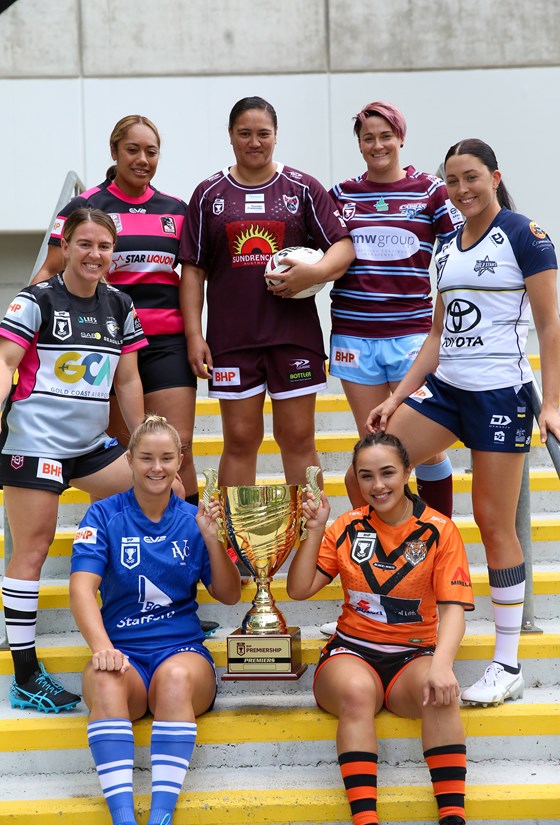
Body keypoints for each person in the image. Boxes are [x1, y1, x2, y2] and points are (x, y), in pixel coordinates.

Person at [366, 138, 560, 706]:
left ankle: (507, 663)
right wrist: (397, 396)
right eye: (451, 180)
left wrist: (551, 403)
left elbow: (550, 324)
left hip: (500, 393)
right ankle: (399, 601)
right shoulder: (446, 246)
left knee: (494, 523)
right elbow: (436, 334)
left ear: (494, 177)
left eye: (471, 177)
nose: (461, 189)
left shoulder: (525, 235)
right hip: (447, 390)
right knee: (370, 469)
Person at [287, 432, 473, 825]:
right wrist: (314, 529)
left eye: (388, 473)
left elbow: (453, 611)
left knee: (439, 692)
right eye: (366, 476)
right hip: (351, 653)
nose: (378, 485)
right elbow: (299, 589)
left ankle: (453, 823)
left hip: (412, 655)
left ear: (408, 472)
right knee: (357, 692)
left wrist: (442, 666)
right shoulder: (346, 526)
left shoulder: (439, 530)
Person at [1, 207, 147, 713]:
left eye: (104, 246)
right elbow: (5, 361)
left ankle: (160, 613)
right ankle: (25, 674)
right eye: (84, 244)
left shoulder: (120, 304)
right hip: (35, 444)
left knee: (160, 493)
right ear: (64, 247)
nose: (94, 254)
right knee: (33, 548)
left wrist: (141, 441)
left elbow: (127, 379)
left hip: (90, 446)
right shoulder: (35, 300)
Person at [69, 415, 241, 825]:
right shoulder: (102, 514)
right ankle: (123, 824)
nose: (157, 467)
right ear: (129, 460)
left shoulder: (194, 519)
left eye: (166, 458)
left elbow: (229, 595)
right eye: (146, 458)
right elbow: (81, 589)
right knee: (106, 679)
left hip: (180, 651)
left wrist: (213, 538)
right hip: (123, 653)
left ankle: (161, 820)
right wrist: (102, 647)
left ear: (181, 460)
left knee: (176, 678)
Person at [180, 95, 355, 488]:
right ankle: (237, 529)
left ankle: (308, 527)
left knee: (297, 437)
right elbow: (193, 270)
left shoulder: (302, 188)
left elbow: (343, 247)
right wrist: (194, 335)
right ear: (230, 136)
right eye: (245, 133)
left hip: (292, 338)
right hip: (232, 340)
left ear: (276, 136)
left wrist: (313, 274)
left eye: (263, 133)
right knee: (240, 440)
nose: (254, 142)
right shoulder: (209, 194)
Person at [32, 114, 199, 504]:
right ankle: (119, 535)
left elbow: (192, 278)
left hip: (166, 343)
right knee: (121, 452)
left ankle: (186, 534)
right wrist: (25, 323)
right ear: (114, 151)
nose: (142, 159)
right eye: (132, 149)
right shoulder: (87, 205)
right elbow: (51, 270)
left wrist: (196, 336)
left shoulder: (177, 209)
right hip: (106, 344)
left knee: (179, 446)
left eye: (151, 151)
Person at [329, 101, 463, 517]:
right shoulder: (341, 195)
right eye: (368, 138)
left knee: (422, 447)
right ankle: (385, 538)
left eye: (386, 136)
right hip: (354, 337)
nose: (378, 145)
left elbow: (462, 248)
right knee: (374, 448)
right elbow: (324, 256)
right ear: (359, 144)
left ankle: (436, 535)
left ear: (401, 137)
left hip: (412, 335)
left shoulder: (430, 190)